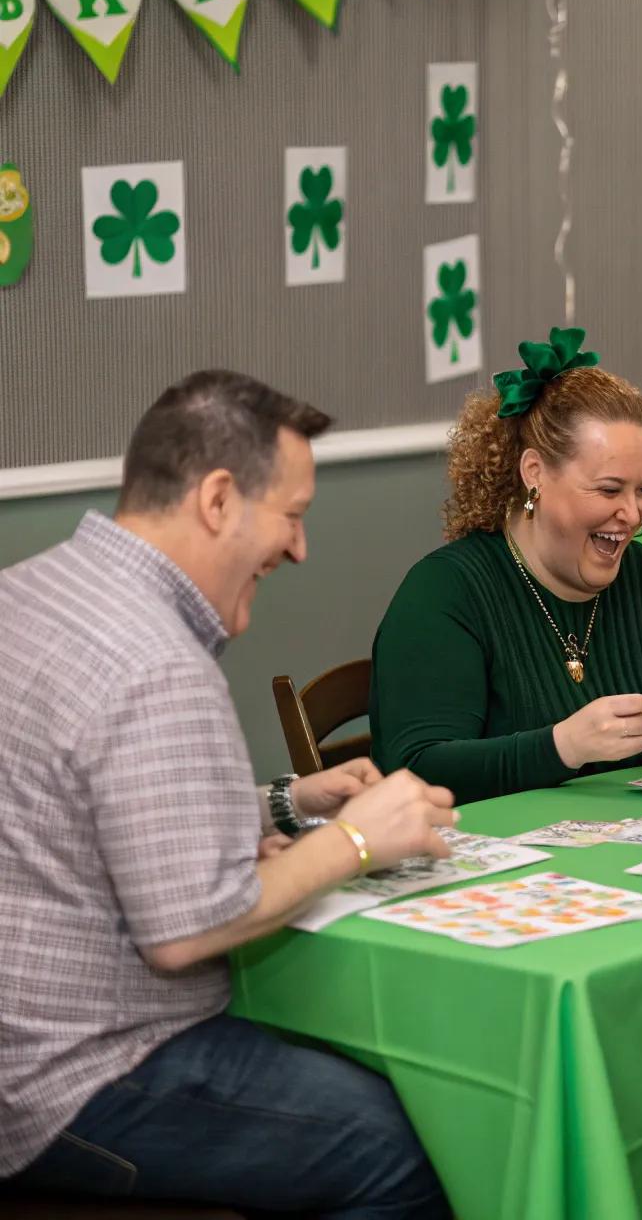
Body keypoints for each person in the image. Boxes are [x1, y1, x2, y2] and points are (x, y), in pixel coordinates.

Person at [0, 370, 454, 1218]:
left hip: (19, 1047)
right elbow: (187, 930)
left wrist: (291, 804)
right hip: (74, 1080)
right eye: (293, 513)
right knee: (406, 1143)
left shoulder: (35, 591)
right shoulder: (156, 660)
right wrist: (354, 841)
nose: (300, 547)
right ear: (217, 500)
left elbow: (89, 808)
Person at [370, 327, 642, 805]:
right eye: (609, 490)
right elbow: (419, 771)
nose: (633, 514)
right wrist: (561, 747)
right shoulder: (445, 594)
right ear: (535, 475)